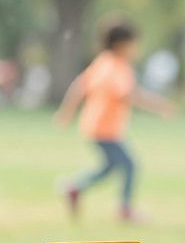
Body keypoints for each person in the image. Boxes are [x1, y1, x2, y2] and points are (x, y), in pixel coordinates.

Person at [55, 15, 177, 222]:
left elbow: (78, 86)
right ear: (122, 45)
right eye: (134, 44)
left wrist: (66, 113)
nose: (136, 49)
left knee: (110, 167)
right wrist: (159, 105)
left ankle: (75, 187)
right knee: (130, 165)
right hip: (105, 129)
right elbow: (129, 94)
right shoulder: (118, 67)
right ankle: (125, 209)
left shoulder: (101, 63)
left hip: (94, 126)